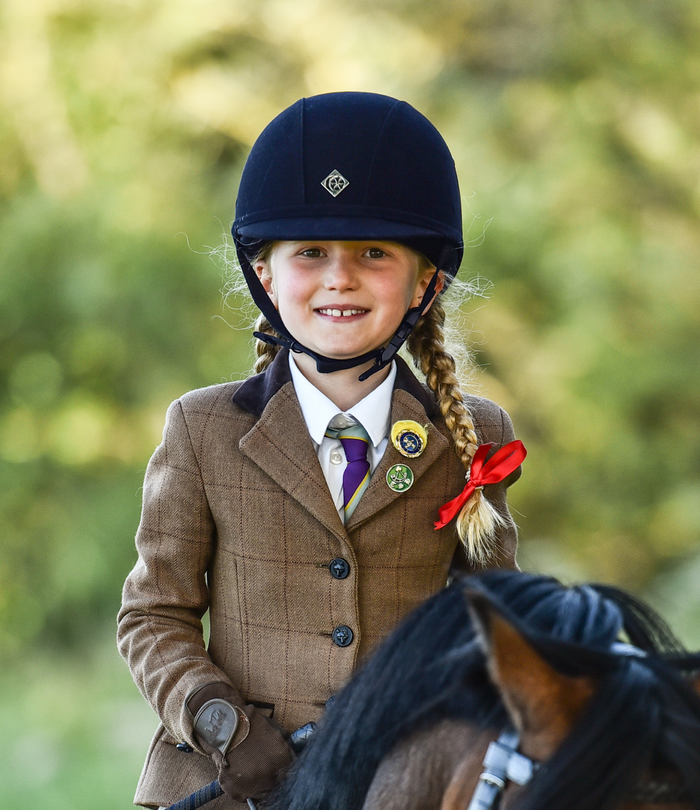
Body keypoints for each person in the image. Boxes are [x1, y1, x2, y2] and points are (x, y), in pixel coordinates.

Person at [117, 91, 526, 810]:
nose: (340, 277)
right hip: (229, 783)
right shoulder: (202, 429)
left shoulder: (475, 436)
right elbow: (154, 614)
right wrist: (219, 721)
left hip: (402, 784)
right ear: (266, 275)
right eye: (311, 253)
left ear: (425, 283)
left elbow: (488, 618)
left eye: (374, 254)